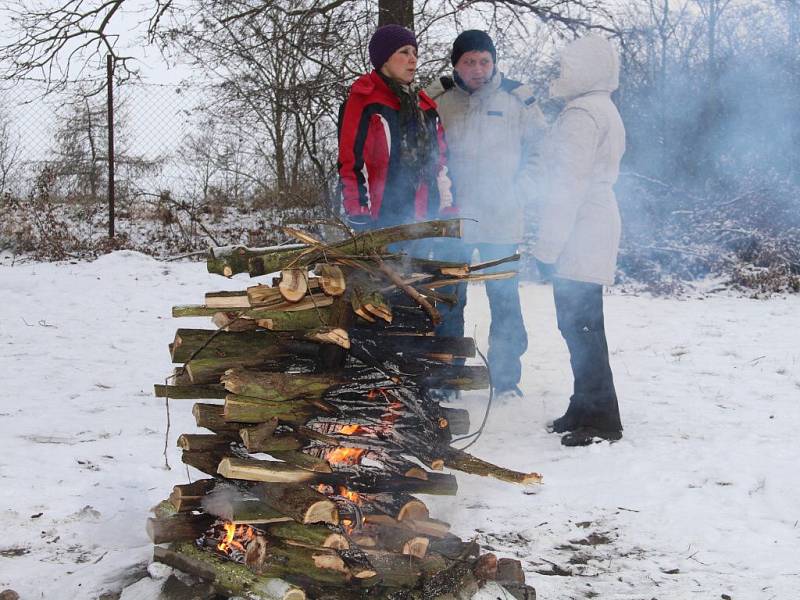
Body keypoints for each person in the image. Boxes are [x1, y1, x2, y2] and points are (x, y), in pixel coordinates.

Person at [425, 30, 546, 399]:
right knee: (448, 300)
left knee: (505, 299)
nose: (478, 69)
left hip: (501, 218)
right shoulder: (437, 100)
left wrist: (519, 192)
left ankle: (506, 380)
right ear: (456, 65)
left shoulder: (517, 99)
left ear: (493, 62)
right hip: (453, 222)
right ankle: (448, 377)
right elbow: (421, 153)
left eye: (484, 61)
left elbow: (541, 152)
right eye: (469, 62)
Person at [533, 35, 626, 447]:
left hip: (580, 229)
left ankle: (602, 419)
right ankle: (583, 405)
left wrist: (547, 248)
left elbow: (566, 187)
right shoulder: (597, 107)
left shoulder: (582, 114)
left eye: (568, 66)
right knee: (579, 326)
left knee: (582, 326)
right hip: (589, 225)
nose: (561, 74)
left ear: (586, 68)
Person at [338, 24, 453, 231]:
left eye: (415, 53)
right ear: (385, 59)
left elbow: (440, 162)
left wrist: (447, 208)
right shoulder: (365, 102)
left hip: (425, 218)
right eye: (404, 52)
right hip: (382, 220)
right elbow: (352, 163)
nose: (413, 59)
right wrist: (359, 212)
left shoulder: (424, 107)